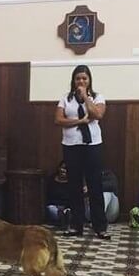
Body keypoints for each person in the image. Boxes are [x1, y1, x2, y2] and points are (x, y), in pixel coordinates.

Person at [55, 65, 110, 239]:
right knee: (74, 185)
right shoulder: (65, 98)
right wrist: (79, 121)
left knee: (95, 185)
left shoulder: (98, 97)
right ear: (73, 80)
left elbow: (98, 114)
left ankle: (100, 226)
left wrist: (86, 96)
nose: (81, 81)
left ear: (89, 80)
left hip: (92, 145)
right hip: (71, 145)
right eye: (78, 78)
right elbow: (58, 119)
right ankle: (76, 225)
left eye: (84, 78)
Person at [45, 161, 72, 228]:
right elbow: (48, 196)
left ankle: (66, 219)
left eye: (67, 169)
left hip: (67, 206)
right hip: (54, 206)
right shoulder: (51, 180)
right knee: (51, 209)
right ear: (59, 168)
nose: (64, 171)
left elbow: (73, 199)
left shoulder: (73, 182)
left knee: (71, 211)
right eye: (63, 168)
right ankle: (61, 219)